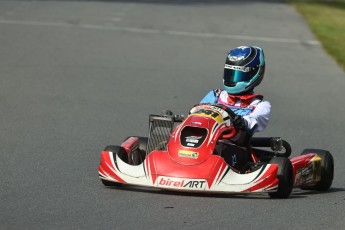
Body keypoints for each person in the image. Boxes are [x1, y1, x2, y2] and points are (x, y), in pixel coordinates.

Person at [200, 46, 271, 171]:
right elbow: (198, 115)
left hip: (234, 148)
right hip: (203, 141)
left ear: (255, 73)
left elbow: (254, 121)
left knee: (219, 149)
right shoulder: (215, 95)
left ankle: (207, 169)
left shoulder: (259, 105)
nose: (233, 79)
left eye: (239, 74)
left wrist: (242, 122)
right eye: (230, 73)